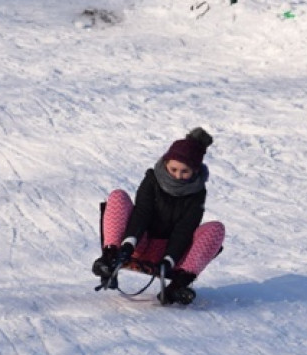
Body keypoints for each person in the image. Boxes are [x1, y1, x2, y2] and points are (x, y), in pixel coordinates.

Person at [93, 128, 225, 305]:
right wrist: (128, 245)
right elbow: (142, 213)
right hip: (140, 243)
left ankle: (177, 287)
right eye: (174, 169)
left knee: (216, 228)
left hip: (172, 254)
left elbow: (185, 229)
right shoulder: (152, 179)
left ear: (194, 171)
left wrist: (169, 259)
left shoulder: (197, 192)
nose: (178, 176)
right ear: (165, 163)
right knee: (118, 196)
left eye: (184, 171)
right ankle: (109, 260)